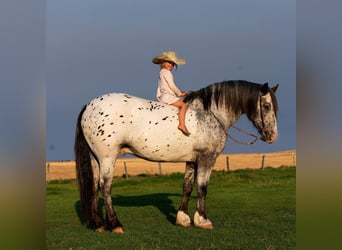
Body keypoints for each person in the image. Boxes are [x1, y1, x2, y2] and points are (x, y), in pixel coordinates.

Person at [152, 51, 191, 136]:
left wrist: (179, 92)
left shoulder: (161, 72)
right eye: (169, 62)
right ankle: (182, 124)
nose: (171, 65)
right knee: (184, 105)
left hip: (164, 96)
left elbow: (164, 87)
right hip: (167, 97)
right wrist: (179, 93)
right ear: (163, 63)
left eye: (173, 64)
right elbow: (171, 85)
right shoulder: (166, 72)